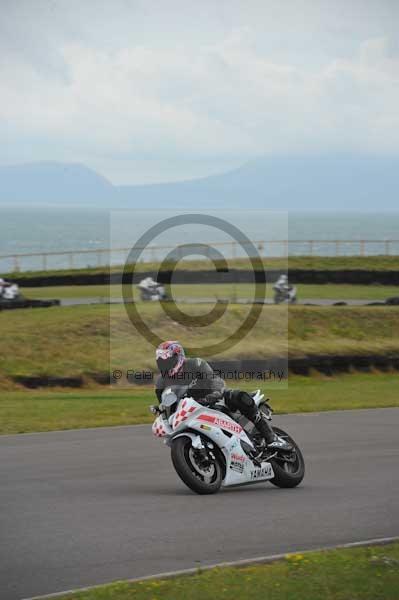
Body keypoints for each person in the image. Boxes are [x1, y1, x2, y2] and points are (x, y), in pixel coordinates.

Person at [155, 340, 292, 452]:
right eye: (162, 363)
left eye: (168, 362)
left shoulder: (195, 364)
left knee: (238, 396)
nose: (166, 366)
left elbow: (214, 380)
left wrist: (215, 393)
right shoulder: (161, 382)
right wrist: (161, 412)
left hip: (214, 400)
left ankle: (271, 437)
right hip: (190, 413)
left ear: (178, 357)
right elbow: (165, 404)